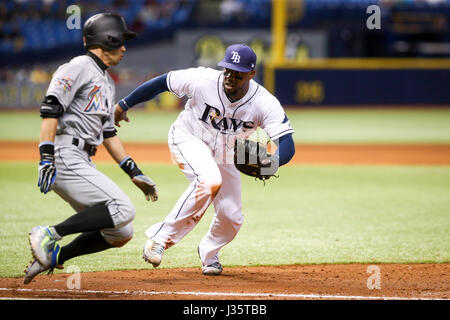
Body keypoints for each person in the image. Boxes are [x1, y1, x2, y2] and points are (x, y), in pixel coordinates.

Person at [114, 44, 295, 275]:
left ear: (251, 74)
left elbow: (287, 144)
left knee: (231, 216)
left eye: (237, 73)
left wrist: (271, 163)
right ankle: (159, 239)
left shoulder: (264, 102)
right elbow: (162, 82)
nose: (230, 76)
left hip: (226, 152)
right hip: (188, 137)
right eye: (227, 70)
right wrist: (123, 105)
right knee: (209, 180)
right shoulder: (203, 79)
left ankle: (209, 253)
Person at [24, 13, 158, 284]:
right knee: (123, 209)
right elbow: (51, 108)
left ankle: (55, 257)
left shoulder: (107, 81)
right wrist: (46, 157)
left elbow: (108, 132)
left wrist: (134, 171)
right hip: (64, 153)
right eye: (120, 41)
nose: (124, 47)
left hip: (82, 158)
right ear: (107, 39)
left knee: (120, 232)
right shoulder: (77, 67)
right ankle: (49, 233)